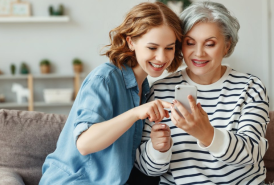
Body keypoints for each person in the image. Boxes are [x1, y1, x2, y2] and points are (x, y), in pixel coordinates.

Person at [39, 2, 184, 185]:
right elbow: (85, 144)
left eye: (169, 48)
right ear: (131, 42)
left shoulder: (146, 89)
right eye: (152, 48)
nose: (162, 57)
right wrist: (134, 114)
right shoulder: (105, 79)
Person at [135, 1, 270, 184]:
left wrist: (207, 134)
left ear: (227, 46)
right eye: (190, 43)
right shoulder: (160, 90)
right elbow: (145, 167)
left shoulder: (250, 87)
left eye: (210, 44)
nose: (198, 53)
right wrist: (158, 149)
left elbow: (252, 153)